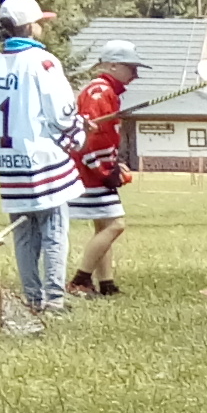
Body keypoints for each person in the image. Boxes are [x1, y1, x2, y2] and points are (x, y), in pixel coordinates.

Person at [0, 0, 83, 315]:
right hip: (44, 161)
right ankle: (54, 299)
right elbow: (60, 111)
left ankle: (32, 298)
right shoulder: (43, 62)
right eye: (40, 22)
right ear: (31, 27)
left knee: (23, 234)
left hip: (11, 164)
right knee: (54, 230)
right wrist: (76, 132)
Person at [65, 41, 141, 297]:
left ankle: (106, 283)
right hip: (90, 172)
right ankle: (80, 280)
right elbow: (91, 138)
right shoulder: (99, 92)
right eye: (131, 68)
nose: (135, 75)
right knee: (115, 224)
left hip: (96, 169)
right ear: (113, 65)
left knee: (103, 224)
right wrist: (104, 171)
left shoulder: (108, 92)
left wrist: (113, 165)